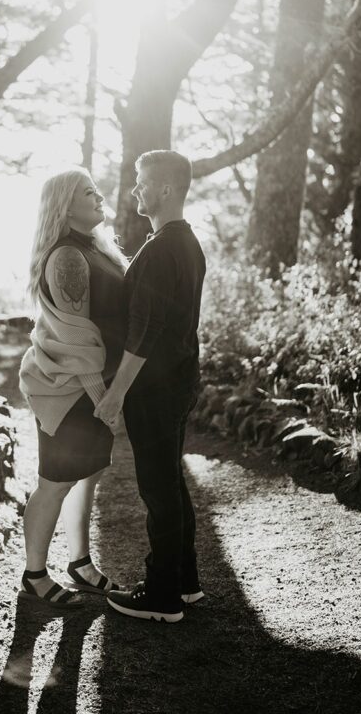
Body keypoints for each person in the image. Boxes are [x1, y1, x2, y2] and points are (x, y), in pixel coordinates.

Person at [94, 150, 206, 623]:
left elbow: (145, 330)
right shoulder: (187, 242)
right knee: (170, 482)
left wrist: (116, 392)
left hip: (157, 388)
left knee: (158, 488)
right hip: (178, 381)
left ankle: (161, 596)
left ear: (164, 188)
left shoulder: (162, 249)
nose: (135, 190)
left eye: (141, 182)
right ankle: (185, 582)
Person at [18, 167, 127, 609]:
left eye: (97, 189)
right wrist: (105, 397)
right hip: (69, 391)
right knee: (54, 482)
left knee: (88, 475)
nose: (98, 195)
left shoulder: (92, 248)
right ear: (65, 205)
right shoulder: (66, 256)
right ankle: (34, 574)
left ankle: (79, 562)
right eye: (88, 191)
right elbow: (78, 340)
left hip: (93, 388)